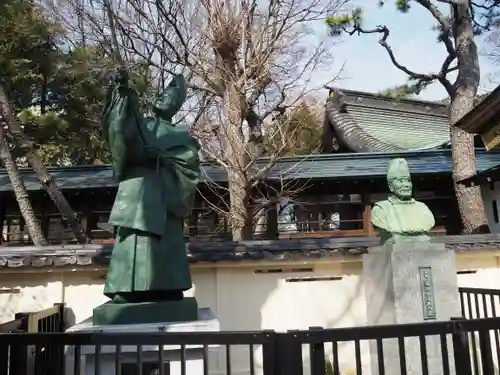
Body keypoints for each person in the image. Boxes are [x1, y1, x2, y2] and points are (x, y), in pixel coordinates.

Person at [101, 70, 200, 304]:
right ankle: (125, 289)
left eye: (172, 97)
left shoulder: (183, 135)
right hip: (136, 191)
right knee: (133, 239)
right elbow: (119, 136)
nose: (165, 98)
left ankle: (168, 287)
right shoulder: (138, 122)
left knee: (165, 243)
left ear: (177, 106)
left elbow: (188, 165)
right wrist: (120, 96)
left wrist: (161, 158)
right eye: (163, 93)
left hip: (165, 196)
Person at [371, 158, 435, 241]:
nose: (406, 185)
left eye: (408, 180)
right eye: (400, 181)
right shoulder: (381, 209)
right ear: (391, 186)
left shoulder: (422, 207)